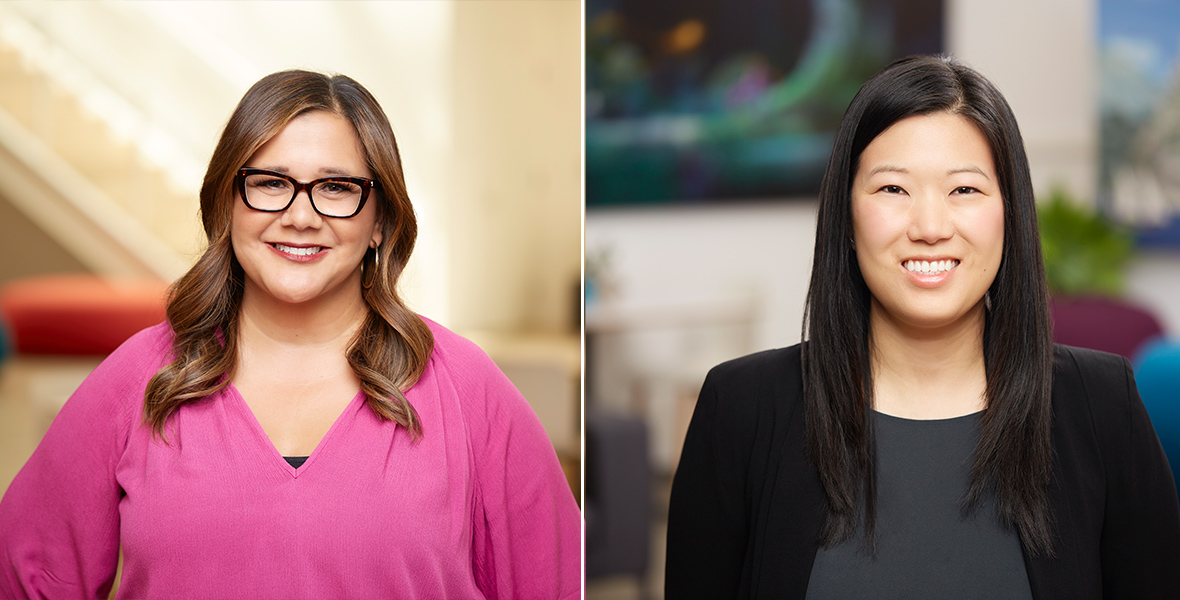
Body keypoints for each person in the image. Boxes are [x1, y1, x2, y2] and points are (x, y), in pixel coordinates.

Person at [0, 70, 580, 600]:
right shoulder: (141, 377)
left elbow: (553, 582)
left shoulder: (465, 387)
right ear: (228, 205)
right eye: (271, 182)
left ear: (380, 220)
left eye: (335, 188)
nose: (301, 215)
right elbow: (24, 575)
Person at [665, 55, 1180, 599]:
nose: (930, 228)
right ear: (846, 214)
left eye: (965, 190)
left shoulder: (1103, 408)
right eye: (893, 190)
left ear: (1011, 211)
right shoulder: (741, 409)